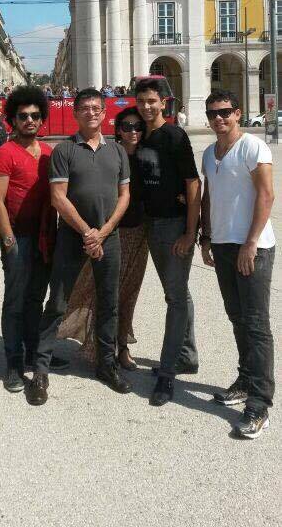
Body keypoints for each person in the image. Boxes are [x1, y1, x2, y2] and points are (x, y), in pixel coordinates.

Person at [26, 88, 131, 406]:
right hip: (73, 238)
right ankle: (40, 370)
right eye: (84, 108)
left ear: (104, 113)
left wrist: (104, 231)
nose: (91, 113)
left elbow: (125, 195)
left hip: (109, 238)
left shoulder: (118, 151)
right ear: (75, 113)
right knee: (57, 303)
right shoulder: (65, 150)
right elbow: (58, 197)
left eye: (96, 108)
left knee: (109, 303)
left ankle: (106, 364)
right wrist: (88, 233)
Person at [201, 90, 275, 439]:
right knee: (237, 317)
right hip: (222, 245)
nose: (218, 118)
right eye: (212, 113)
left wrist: (250, 242)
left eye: (225, 112)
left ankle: (259, 404)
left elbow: (266, 195)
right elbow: (209, 196)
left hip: (252, 248)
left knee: (256, 324)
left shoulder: (253, 147)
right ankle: (245, 380)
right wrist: (206, 237)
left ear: (238, 113)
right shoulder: (208, 153)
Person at [0, 86, 66, 393]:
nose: (30, 120)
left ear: (42, 118)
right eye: (23, 116)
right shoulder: (4, 153)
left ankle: (35, 352)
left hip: (45, 236)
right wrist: (8, 240)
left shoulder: (48, 153)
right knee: (15, 300)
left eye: (35, 115)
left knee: (36, 297)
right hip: (17, 237)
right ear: (13, 119)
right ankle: (13, 361)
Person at [58, 107, 148, 371]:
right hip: (105, 233)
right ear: (118, 129)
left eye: (138, 127)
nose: (133, 131)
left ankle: (121, 345)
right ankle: (95, 345)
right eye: (127, 126)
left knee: (127, 294)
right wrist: (95, 233)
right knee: (95, 292)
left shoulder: (148, 155)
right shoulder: (111, 153)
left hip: (137, 231)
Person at [134, 77, 201, 407]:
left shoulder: (175, 135)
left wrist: (190, 232)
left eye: (152, 101)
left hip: (173, 225)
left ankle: (168, 372)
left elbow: (193, 183)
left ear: (164, 102)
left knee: (174, 297)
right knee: (178, 292)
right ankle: (186, 355)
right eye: (142, 101)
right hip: (151, 223)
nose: (147, 107)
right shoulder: (143, 136)